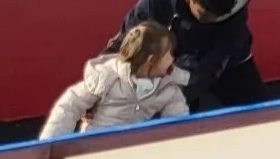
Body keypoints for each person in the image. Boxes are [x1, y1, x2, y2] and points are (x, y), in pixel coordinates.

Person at [113, 0, 262, 113]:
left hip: (228, 63)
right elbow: (128, 38)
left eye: (220, 17)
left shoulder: (234, 8)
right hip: (176, 63)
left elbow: (212, 64)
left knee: (261, 112)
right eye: (205, 16)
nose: (214, 21)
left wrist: (182, 93)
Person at [42, 21, 189, 139]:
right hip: (96, 146)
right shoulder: (107, 77)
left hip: (132, 151)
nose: (173, 58)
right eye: (170, 54)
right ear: (152, 60)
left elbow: (179, 124)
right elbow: (69, 105)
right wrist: (50, 145)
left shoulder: (169, 88)